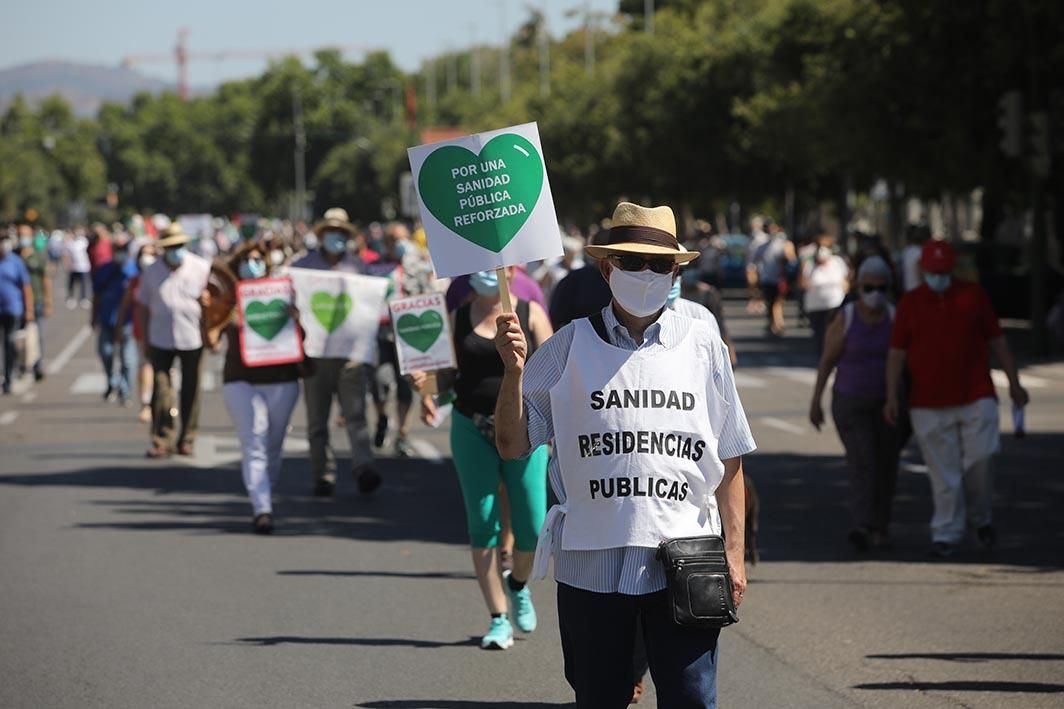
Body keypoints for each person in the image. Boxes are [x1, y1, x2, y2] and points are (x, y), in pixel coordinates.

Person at [494, 202, 755, 707]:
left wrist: (735, 556)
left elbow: (730, 457)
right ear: (606, 268)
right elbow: (512, 443)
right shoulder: (567, 346)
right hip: (591, 565)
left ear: (676, 270)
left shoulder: (702, 344)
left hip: (685, 560)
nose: (646, 274)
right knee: (599, 698)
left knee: (691, 699)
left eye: (659, 264)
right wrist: (512, 374)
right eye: (632, 262)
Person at [414, 267, 553, 650]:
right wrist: (424, 388)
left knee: (533, 527)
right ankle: (497, 618)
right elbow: (443, 380)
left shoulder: (531, 314)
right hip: (470, 428)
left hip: (525, 431)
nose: (483, 274)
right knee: (483, 525)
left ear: (510, 271)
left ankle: (518, 584)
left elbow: (557, 371)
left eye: (491, 267)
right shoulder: (458, 315)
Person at [885, 240, 1029, 557]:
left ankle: (980, 518)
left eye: (944, 271)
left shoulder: (973, 296)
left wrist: (1015, 384)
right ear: (923, 270)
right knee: (943, 472)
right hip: (927, 401)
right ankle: (947, 532)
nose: (939, 276)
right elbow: (897, 352)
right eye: (934, 271)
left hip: (976, 394)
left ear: (953, 269)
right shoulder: (910, 302)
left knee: (983, 458)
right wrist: (891, 394)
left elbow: (998, 341)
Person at [809, 257, 903, 550]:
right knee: (864, 461)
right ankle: (863, 524)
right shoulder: (847, 317)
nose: (875, 291)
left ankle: (881, 526)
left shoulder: (894, 316)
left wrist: (895, 397)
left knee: (886, 465)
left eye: (881, 286)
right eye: (869, 286)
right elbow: (827, 361)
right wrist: (816, 400)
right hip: (850, 402)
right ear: (859, 286)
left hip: (888, 402)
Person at [292, 208, 381, 497]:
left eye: (342, 232)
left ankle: (363, 467)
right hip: (315, 355)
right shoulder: (303, 267)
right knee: (318, 419)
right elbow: (291, 300)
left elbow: (370, 306)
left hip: (350, 356)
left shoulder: (359, 268)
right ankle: (323, 474)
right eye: (332, 232)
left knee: (355, 414)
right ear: (321, 235)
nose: (337, 237)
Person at [217, 243, 304, 535]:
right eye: (246, 260)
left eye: (257, 260)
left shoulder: (284, 292)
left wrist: (296, 317)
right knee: (253, 441)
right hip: (240, 379)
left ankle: (265, 488)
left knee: (272, 445)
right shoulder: (226, 298)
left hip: (281, 377)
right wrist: (220, 314)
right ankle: (262, 508)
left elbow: (304, 338)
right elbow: (209, 336)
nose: (251, 265)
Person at [137, 224, 211, 458]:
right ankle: (162, 438)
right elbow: (142, 306)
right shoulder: (151, 272)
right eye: (170, 247)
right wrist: (142, 338)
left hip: (192, 338)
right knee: (161, 389)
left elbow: (215, 303)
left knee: (191, 389)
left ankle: (187, 438)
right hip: (160, 337)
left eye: (178, 246)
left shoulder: (200, 267)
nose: (175, 251)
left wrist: (210, 328)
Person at [92, 235, 138, 405]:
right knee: (106, 353)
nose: (120, 253)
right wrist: (93, 317)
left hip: (128, 322)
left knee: (127, 359)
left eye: (123, 249)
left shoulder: (134, 270)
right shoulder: (104, 269)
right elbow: (96, 295)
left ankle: (125, 391)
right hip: (107, 319)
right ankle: (112, 382)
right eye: (117, 250)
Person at [117, 242, 159, 422]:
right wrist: (119, 326)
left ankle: (167, 403)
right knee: (145, 366)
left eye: (151, 254)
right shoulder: (135, 281)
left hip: (163, 330)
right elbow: (125, 305)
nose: (147, 258)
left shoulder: (164, 278)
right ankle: (146, 403)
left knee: (166, 370)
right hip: (141, 331)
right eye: (144, 254)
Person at [800, 232, 849, 358]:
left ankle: (832, 356)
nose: (822, 250)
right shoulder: (809, 263)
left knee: (833, 333)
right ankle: (823, 358)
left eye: (825, 247)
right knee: (820, 335)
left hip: (834, 304)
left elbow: (845, 282)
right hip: (815, 306)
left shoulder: (837, 262)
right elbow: (802, 283)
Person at [0, 234, 35, 394]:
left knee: (9, 343)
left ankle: (9, 377)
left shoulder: (15, 261)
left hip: (12, 309)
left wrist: (29, 310)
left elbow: (26, 286)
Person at [751, 220, 795, 336]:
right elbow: (754, 262)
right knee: (771, 302)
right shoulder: (762, 246)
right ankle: (774, 323)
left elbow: (791, 259)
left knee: (777, 302)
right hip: (767, 279)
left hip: (779, 279)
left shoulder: (782, 244)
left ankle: (777, 323)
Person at [18, 226, 50, 381]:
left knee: (39, 335)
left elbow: (45, 278)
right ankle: (21, 366)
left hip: (36, 300)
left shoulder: (38, 255)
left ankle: (38, 364)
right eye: (20, 235)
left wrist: (47, 301)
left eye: (24, 235)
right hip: (18, 303)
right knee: (18, 337)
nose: (22, 238)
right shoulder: (16, 254)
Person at [63, 228, 92, 308]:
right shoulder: (70, 243)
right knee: (72, 283)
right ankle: (71, 298)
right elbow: (66, 254)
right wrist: (66, 264)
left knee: (84, 284)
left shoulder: (84, 241)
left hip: (84, 267)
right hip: (73, 267)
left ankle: (84, 298)